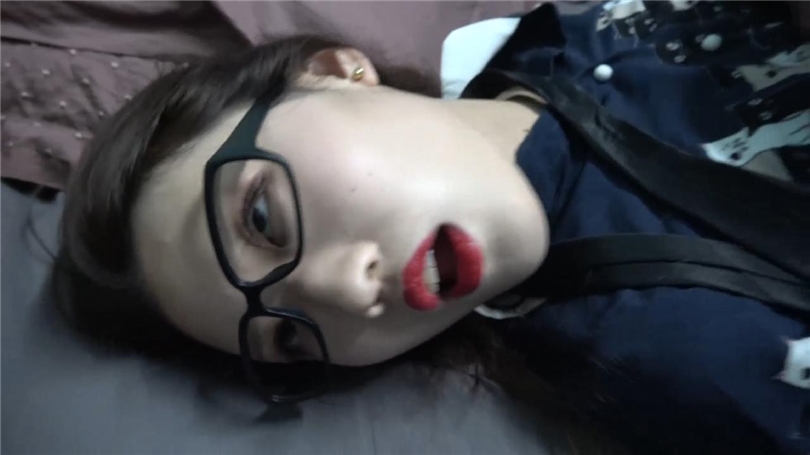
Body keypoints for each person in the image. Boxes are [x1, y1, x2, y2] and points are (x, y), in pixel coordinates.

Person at [54, 2, 809, 454]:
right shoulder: (680, 363)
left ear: (332, 71)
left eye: (261, 217)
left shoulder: (553, 33)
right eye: (287, 336)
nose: (343, 291)